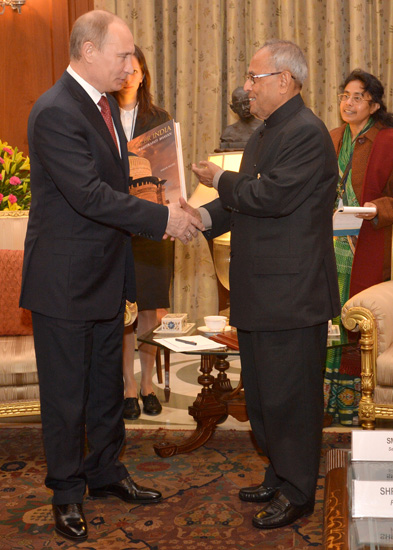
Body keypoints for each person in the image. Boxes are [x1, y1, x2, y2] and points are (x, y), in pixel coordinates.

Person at [19, 10, 203, 542]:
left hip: (103, 273)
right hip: (65, 281)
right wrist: (163, 219)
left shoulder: (102, 107)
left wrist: (168, 199)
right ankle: (66, 492)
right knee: (66, 395)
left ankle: (104, 472)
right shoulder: (56, 110)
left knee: (104, 388)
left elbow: (118, 182)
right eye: (122, 54)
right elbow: (89, 196)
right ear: (88, 51)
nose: (131, 64)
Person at [183, 39, 340, 530]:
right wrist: (193, 219)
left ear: (286, 81)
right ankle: (279, 475)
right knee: (265, 396)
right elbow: (239, 205)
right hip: (260, 292)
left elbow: (269, 197)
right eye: (249, 77)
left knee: (291, 398)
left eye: (255, 77)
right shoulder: (265, 133)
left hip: (291, 296)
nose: (246, 86)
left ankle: (298, 492)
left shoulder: (308, 133)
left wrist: (216, 178)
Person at [324, 69, 393, 426]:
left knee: (357, 320)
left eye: (357, 97)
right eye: (344, 95)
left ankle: (354, 405)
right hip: (326, 246)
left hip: (367, 244)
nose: (348, 103)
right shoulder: (331, 137)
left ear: (375, 105)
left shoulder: (388, 140)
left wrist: (376, 209)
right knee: (326, 317)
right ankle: (324, 404)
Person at [112, 45, 173, 420]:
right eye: (122, 68)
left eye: (133, 70)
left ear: (143, 74)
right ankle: (128, 387)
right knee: (124, 311)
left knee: (151, 308)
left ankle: (147, 384)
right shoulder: (100, 115)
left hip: (152, 220)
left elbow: (169, 170)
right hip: (116, 223)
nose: (127, 75)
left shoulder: (159, 118)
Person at [218, 86, 262, 150]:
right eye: (238, 105)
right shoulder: (228, 133)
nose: (244, 108)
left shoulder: (264, 128)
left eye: (246, 103)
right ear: (233, 108)